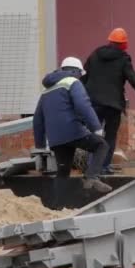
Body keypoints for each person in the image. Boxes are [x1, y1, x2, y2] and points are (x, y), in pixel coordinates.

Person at [33, 57, 112, 193]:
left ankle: (57, 207)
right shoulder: (73, 82)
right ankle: (91, 177)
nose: (81, 78)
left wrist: (40, 144)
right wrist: (96, 127)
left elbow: (37, 119)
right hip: (73, 132)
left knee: (63, 172)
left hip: (56, 139)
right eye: (80, 74)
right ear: (76, 71)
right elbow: (83, 105)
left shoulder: (46, 90)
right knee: (101, 145)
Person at [82, 28, 135, 175]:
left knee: (93, 134)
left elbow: (84, 77)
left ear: (109, 41)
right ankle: (104, 166)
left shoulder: (95, 54)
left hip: (93, 103)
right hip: (113, 105)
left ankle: (92, 167)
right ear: (124, 44)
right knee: (110, 135)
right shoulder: (123, 59)